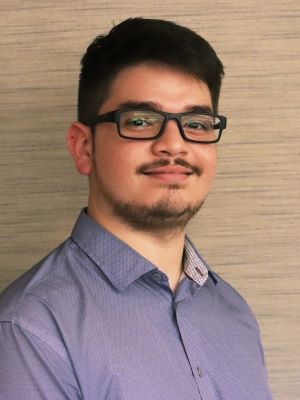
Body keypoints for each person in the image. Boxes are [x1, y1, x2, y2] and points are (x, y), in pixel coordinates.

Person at [0, 18, 273, 400]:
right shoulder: (29, 328)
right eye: (141, 121)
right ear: (84, 147)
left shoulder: (233, 311)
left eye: (196, 123)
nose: (174, 145)